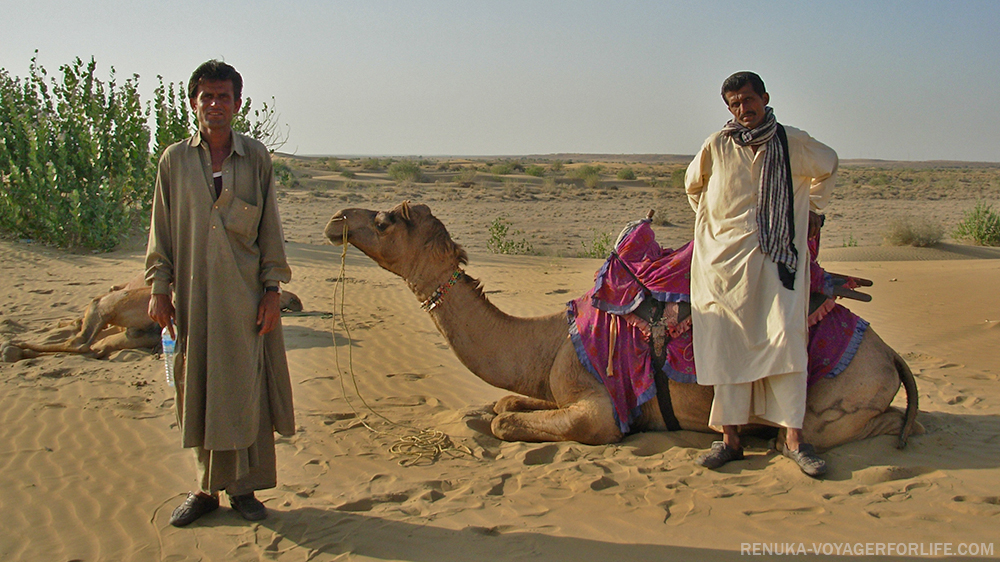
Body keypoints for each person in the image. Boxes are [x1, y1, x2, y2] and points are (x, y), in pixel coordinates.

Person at [146, 60, 295, 526]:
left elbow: (270, 229)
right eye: (206, 97)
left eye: (223, 97)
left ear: (237, 104)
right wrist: (159, 288)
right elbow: (161, 232)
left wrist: (272, 291)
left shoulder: (256, 158)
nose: (214, 106)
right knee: (199, 389)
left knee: (246, 388)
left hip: (246, 301)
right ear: (193, 102)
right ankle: (205, 490)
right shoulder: (173, 160)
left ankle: (245, 491)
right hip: (193, 299)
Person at [684, 71, 838, 477]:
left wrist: (814, 211)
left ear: (764, 98)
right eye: (734, 104)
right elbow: (694, 188)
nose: (742, 109)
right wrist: (715, 227)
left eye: (748, 100)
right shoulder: (717, 144)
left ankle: (793, 441)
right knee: (726, 344)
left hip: (778, 260)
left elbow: (829, 164)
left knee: (785, 339)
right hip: (724, 265)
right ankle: (730, 440)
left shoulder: (792, 141)